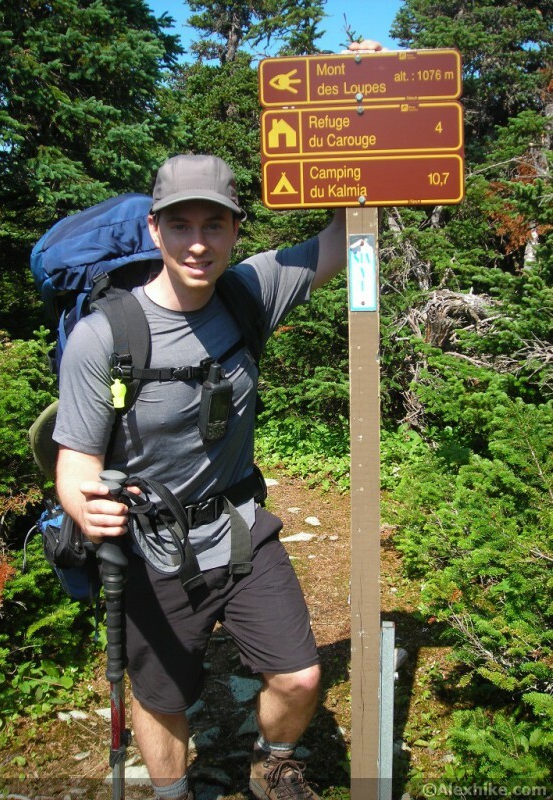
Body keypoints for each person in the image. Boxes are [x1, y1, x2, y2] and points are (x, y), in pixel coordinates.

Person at [54, 41, 381, 800]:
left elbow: (345, 239)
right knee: (165, 700)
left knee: (299, 674)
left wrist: (361, 100)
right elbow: (73, 460)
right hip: (151, 541)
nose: (198, 241)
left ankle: (273, 763)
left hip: (238, 525)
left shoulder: (249, 292)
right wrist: (84, 503)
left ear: (236, 230)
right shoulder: (108, 335)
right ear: (154, 233)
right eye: (180, 225)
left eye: (215, 224)